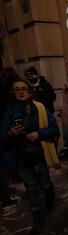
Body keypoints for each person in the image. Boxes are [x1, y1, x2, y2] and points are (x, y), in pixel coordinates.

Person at [0, 79, 60, 235]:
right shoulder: (9, 113)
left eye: (24, 89)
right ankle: (38, 223)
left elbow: (54, 129)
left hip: (41, 155)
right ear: (13, 93)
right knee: (32, 189)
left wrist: (39, 133)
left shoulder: (40, 108)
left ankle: (49, 196)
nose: (21, 92)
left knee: (45, 184)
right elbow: (3, 140)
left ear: (29, 91)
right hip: (22, 158)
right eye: (17, 89)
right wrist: (10, 134)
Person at [0, 68, 21, 209]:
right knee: (3, 166)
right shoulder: (6, 96)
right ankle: (5, 197)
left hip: (6, 133)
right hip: (6, 134)